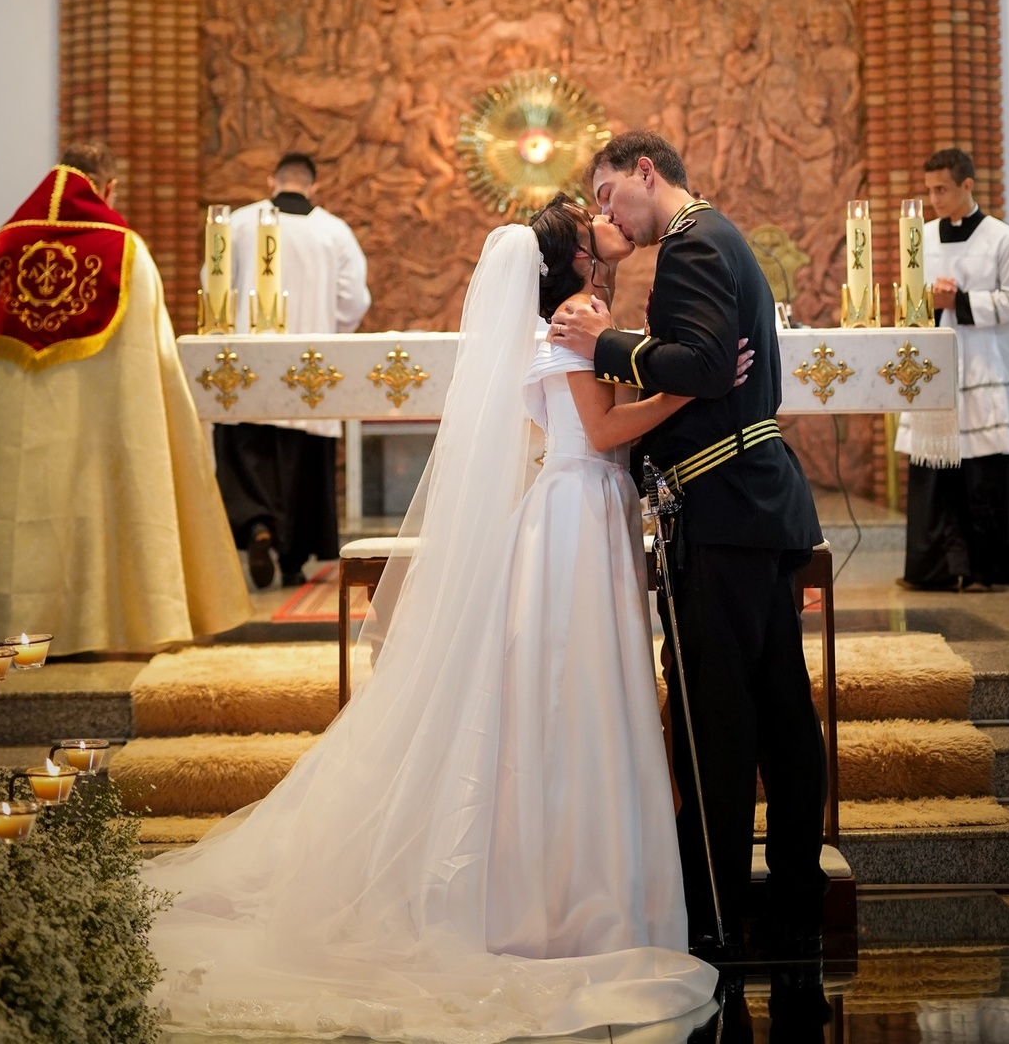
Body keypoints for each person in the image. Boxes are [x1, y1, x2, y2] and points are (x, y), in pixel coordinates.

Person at [143, 211, 727, 1039]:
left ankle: (558, 886)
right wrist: (680, 390)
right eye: (592, 252)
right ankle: (576, 900)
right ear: (568, 269)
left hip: (571, 514)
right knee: (577, 698)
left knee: (565, 700)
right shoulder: (564, 337)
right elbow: (599, 431)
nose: (604, 262)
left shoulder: (548, 331)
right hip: (573, 518)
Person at [557, 130, 827, 960]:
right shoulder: (707, 238)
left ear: (646, 172)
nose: (608, 216)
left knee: (719, 719)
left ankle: (712, 907)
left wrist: (603, 346)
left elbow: (708, 366)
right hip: (750, 503)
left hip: (726, 511)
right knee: (780, 708)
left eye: (608, 195)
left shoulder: (693, 244)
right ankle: (792, 898)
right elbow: (708, 365)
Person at [0, 142, 250, 654]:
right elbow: (151, 364)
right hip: (94, 446)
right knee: (98, 509)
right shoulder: (126, 253)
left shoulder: (0, 251)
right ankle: (102, 626)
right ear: (108, 188)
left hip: (3, 448)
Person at [214, 151, 370, 589]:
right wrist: (324, 328)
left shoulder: (240, 224)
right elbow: (353, 300)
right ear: (314, 187)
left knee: (249, 451)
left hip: (246, 364)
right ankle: (292, 558)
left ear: (271, 181)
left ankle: (257, 527)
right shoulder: (333, 232)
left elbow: (216, 284)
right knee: (302, 460)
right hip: (308, 364)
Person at [897, 147, 1009, 590]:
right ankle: (933, 570)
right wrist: (926, 300)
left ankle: (985, 570)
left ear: (967, 185)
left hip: (983, 370)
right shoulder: (921, 236)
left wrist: (957, 300)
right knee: (933, 469)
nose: (934, 198)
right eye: (929, 189)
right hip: (936, 371)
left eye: (942, 189)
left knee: (982, 474)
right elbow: (908, 300)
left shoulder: (1002, 238)